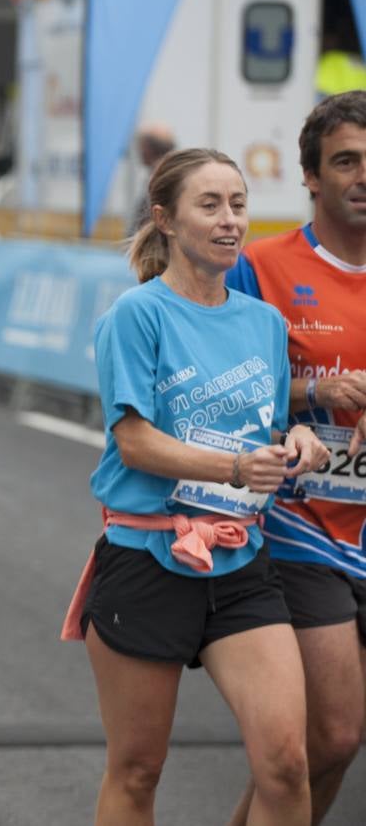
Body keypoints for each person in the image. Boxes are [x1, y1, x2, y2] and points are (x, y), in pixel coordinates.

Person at [60, 148, 328, 825]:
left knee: (288, 763)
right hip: (149, 559)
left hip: (241, 562)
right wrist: (237, 470)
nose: (230, 220)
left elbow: (262, 431)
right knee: (139, 768)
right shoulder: (137, 315)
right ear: (166, 220)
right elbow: (135, 442)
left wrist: (296, 444)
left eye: (238, 204)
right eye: (209, 205)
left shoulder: (264, 323)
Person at [226, 91, 366, 826]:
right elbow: (219, 398)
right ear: (311, 176)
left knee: (326, 752)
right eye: (347, 161)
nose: (364, 176)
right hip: (298, 523)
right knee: (334, 731)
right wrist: (315, 392)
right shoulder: (260, 269)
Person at [128, 122, 177, 237]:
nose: (139, 152)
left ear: (147, 149)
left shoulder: (160, 177)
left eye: (140, 147)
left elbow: (147, 218)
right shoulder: (172, 171)